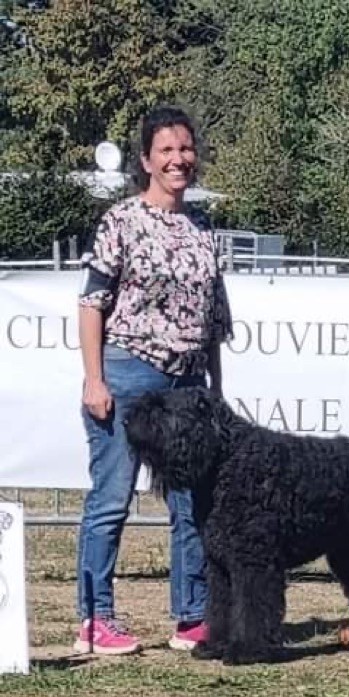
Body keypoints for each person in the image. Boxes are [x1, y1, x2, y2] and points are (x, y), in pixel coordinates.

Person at [74, 105, 233, 655]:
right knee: (112, 498)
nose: (178, 159)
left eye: (185, 149)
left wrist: (214, 390)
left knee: (191, 504)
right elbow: (92, 303)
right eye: (166, 150)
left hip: (189, 385)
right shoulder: (120, 221)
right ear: (146, 160)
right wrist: (95, 380)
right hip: (127, 374)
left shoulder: (205, 228)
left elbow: (215, 318)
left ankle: (192, 615)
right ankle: (96, 619)